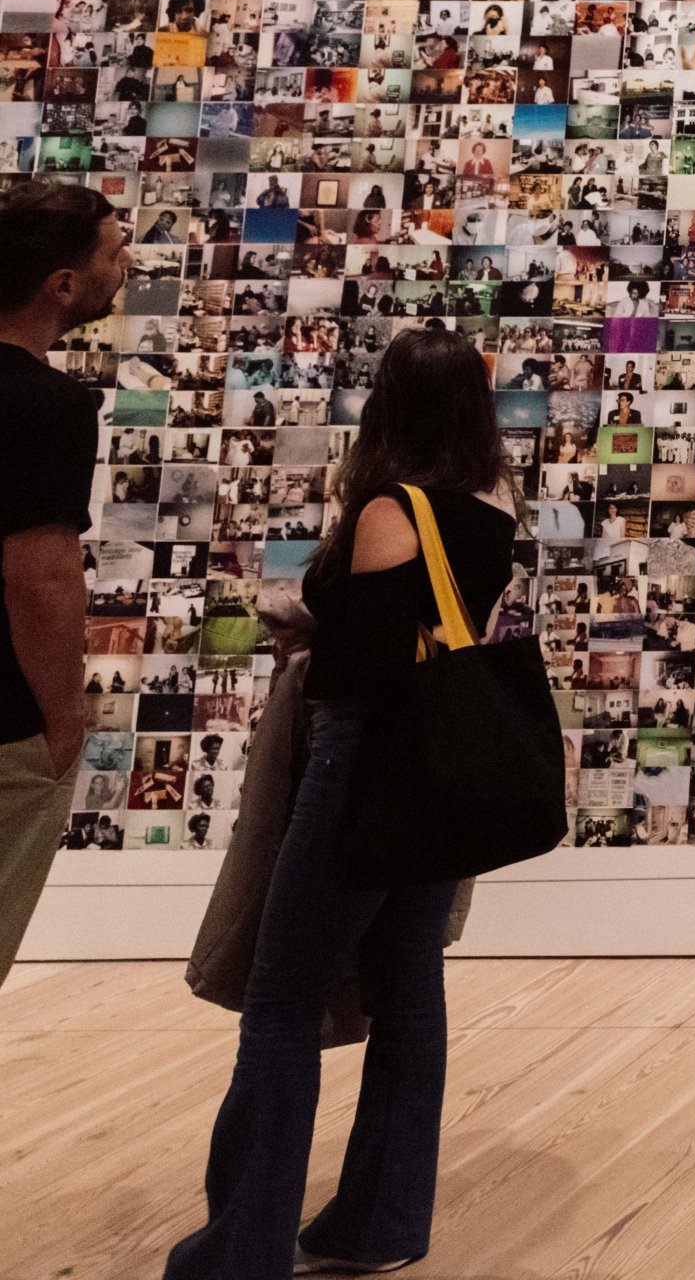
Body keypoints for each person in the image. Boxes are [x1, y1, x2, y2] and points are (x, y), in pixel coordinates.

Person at [165, 328, 521, 1280]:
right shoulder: (492, 509)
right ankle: (384, 1221)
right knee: (410, 991)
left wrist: (301, 634)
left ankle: (240, 1248)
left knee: (281, 1001)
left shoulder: (389, 507)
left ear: (387, 405)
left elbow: (360, 672)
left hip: (364, 772)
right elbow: (420, 633)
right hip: (440, 778)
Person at [0, 181, 124, 982]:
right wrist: (63, 719)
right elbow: (40, 577)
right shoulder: (46, 405)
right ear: (64, 286)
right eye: (113, 253)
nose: (126, 266)